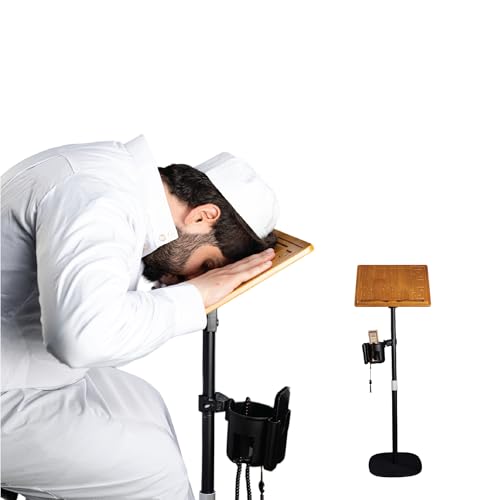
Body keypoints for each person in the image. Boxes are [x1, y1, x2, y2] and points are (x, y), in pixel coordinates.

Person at [0, 136, 278, 500]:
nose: (193, 277)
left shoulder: (115, 180)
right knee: (155, 469)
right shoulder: (98, 199)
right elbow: (82, 339)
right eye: (207, 265)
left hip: (21, 367)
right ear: (203, 216)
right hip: (10, 388)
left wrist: (183, 291)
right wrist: (194, 297)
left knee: (144, 402)